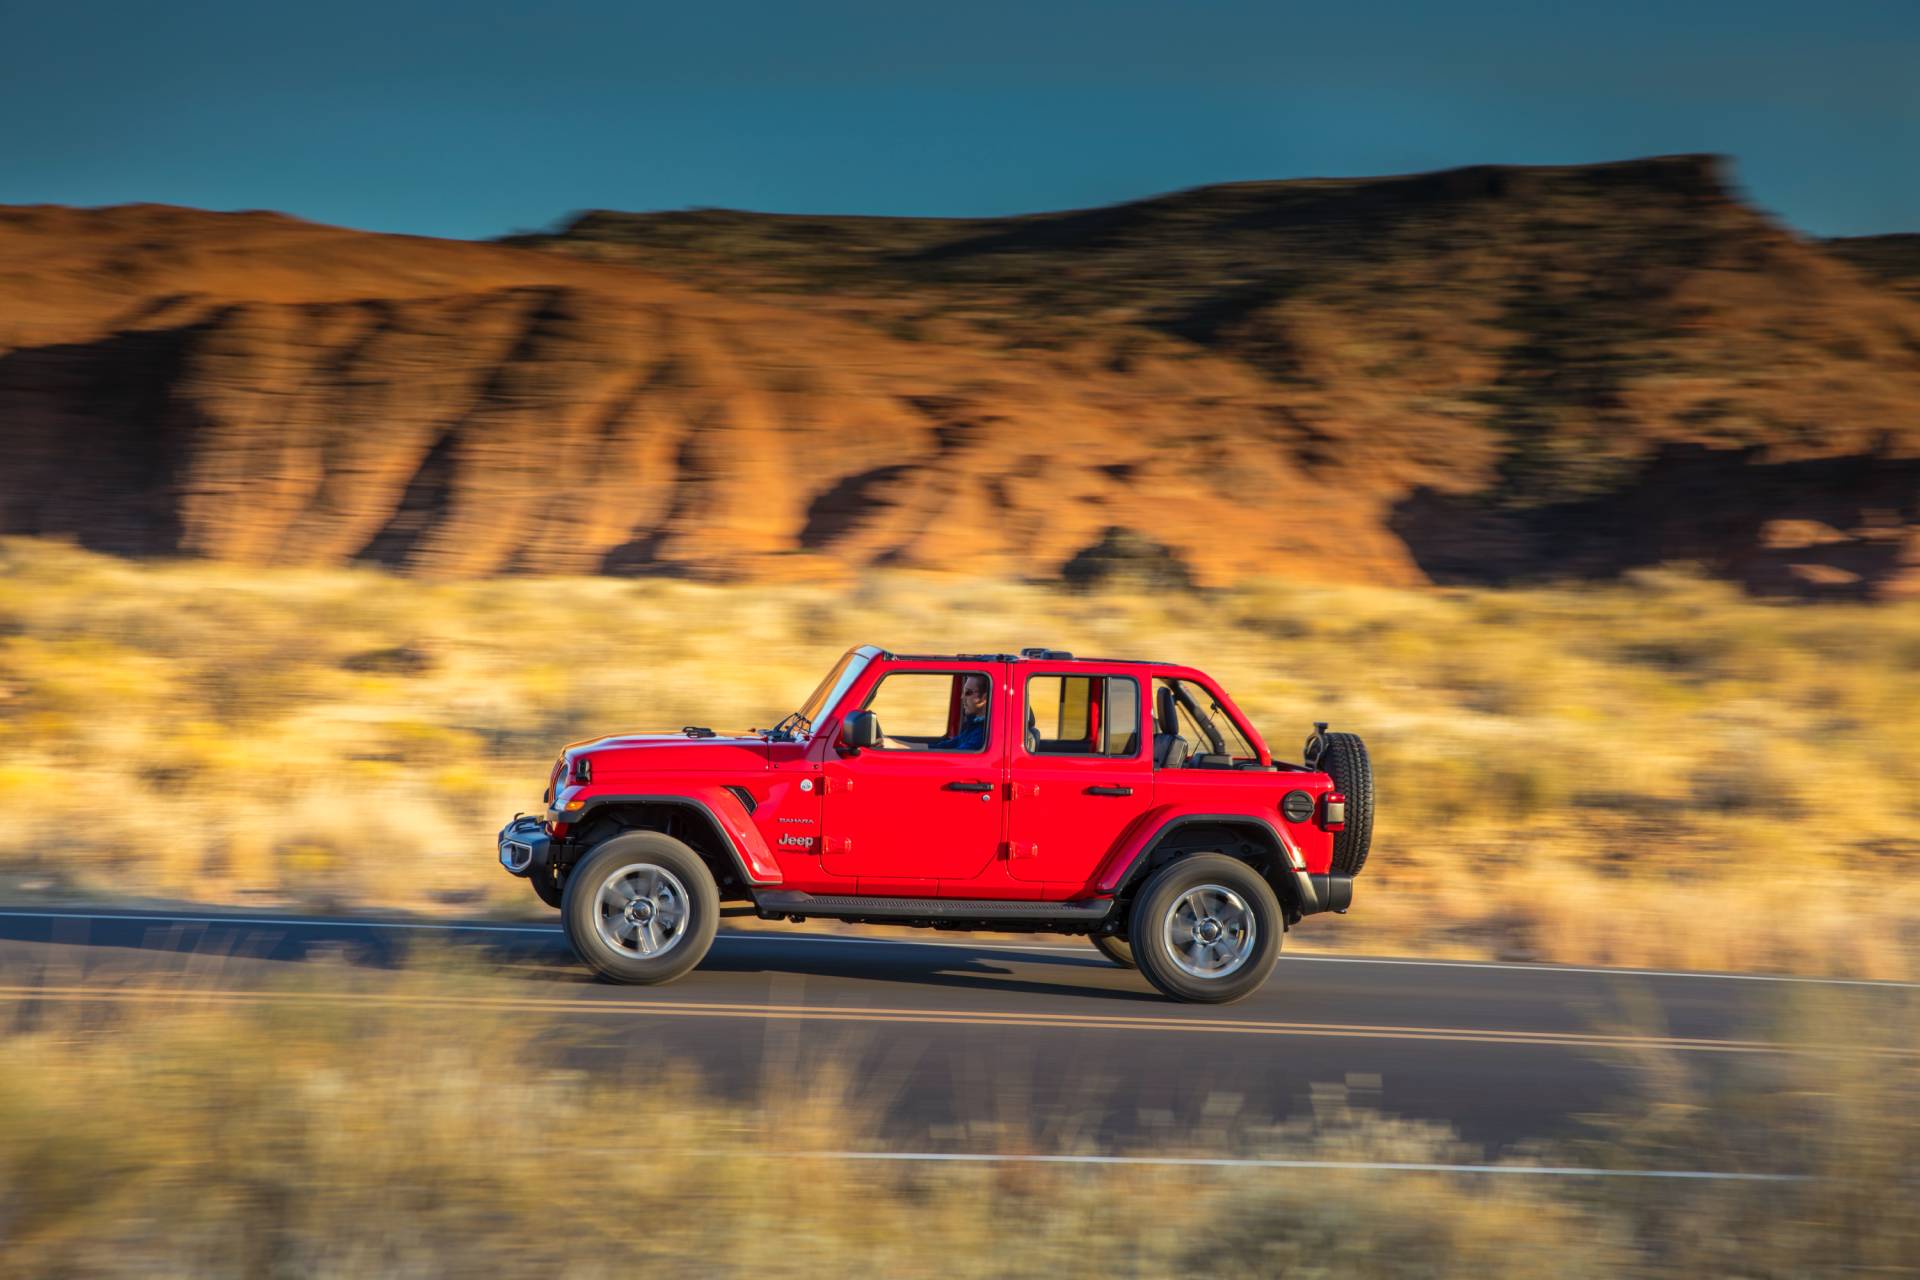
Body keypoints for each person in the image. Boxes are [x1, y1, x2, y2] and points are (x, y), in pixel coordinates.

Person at [887, 674, 990, 751]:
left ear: (984, 698)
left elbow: (955, 755)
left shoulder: (982, 735)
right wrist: (893, 744)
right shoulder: (973, 728)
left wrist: (895, 745)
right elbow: (941, 747)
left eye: (968, 693)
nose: (962, 697)